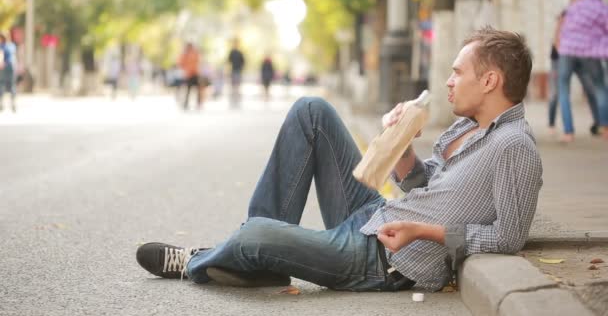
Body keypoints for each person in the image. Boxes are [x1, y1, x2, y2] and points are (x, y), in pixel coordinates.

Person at [136, 27, 543, 292]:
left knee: (257, 234)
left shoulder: (514, 147)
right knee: (311, 111)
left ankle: (200, 259)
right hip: (376, 216)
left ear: (489, 81)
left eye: (458, 72)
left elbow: (507, 238)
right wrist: (400, 145)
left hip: (385, 258)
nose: (449, 81)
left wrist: (423, 232)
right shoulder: (465, 128)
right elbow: (422, 186)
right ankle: (254, 259)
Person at [557, 0, 608, 142]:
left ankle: (568, 132)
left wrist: (560, 45)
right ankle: (605, 128)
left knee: (564, 89)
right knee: (600, 87)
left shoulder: (574, 6)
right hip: (590, 52)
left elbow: (564, 26)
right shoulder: (602, 9)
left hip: (567, 50)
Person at [179, 43, 202, 110]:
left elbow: (198, 61)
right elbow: (181, 63)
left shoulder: (195, 53)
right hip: (188, 74)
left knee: (197, 89)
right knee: (188, 90)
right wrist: (185, 69)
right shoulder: (185, 54)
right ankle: (186, 104)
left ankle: (198, 103)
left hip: (195, 73)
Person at [0, 33, 18, 112]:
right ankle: (13, 103)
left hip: (4, 66)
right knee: (12, 85)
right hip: (12, 66)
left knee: (2, 84)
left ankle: (1, 104)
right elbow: (14, 56)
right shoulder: (12, 46)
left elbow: (1, 55)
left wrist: (1, 63)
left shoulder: (2, 46)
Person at [227, 39, 245, 107]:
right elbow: (229, 61)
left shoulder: (240, 52)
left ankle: (237, 98)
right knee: (233, 85)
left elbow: (243, 61)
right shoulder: (232, 52)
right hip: (233, 70)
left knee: (238, 85)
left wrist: (241, 67)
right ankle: (233, 98)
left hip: (238, 70)